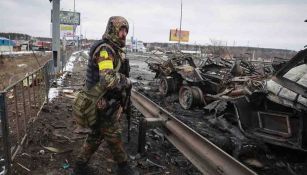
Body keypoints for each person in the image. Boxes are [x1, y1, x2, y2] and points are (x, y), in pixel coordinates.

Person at [74, 16, 139, 175]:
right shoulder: (105, 50)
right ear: (112, 30)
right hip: (100, 102)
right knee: (113, 135)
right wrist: (126, 81)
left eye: (125, 31)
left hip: (103, 100)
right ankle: (124, 168)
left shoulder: (114, 49)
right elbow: (107, 79)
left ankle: (79, 167)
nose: (124, 34)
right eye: (121, 30)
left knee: (96, 136)